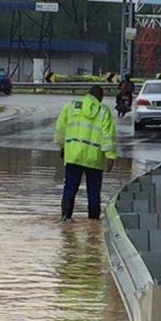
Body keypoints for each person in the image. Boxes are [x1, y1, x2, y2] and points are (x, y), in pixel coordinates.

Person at [54, 85, 117, 221]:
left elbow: (60, 128)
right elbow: (108, 135)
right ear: (100, 97)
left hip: (73, 156)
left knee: (70, 188)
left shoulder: (71, 106)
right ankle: (93, 223)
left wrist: (62, 146)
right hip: (94, 159)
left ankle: (65, 217)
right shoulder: (103, 111)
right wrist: (110, 156)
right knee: (93, 192)